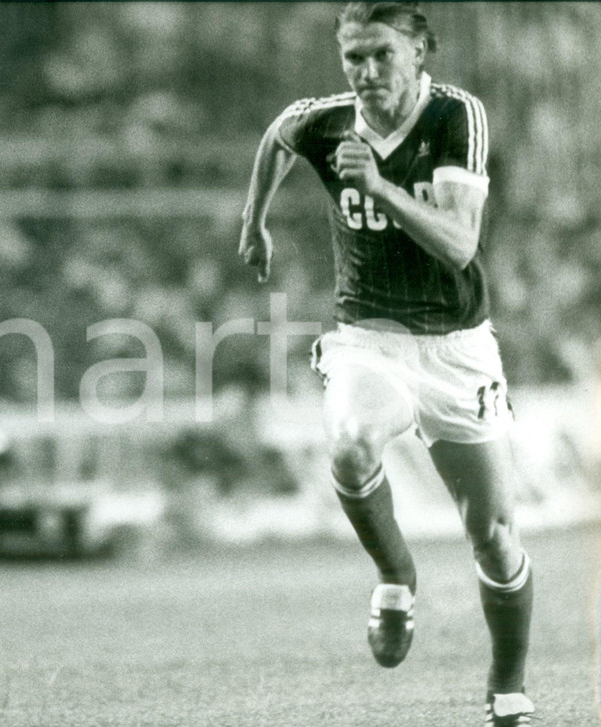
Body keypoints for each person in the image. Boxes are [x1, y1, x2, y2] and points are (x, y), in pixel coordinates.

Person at [238, 3, 533, 725]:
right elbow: (279, 135)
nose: (367, 74)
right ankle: (396, 576)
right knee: (349, 444)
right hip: (369, 338)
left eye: (382, 57)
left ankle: (506, 682)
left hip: (458, 348)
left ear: (419, 55)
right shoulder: (328, 120)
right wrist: (254, 221)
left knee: (493, 535)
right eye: (354, 58)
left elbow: (460, 246)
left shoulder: (456, 119)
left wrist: (377, 188)